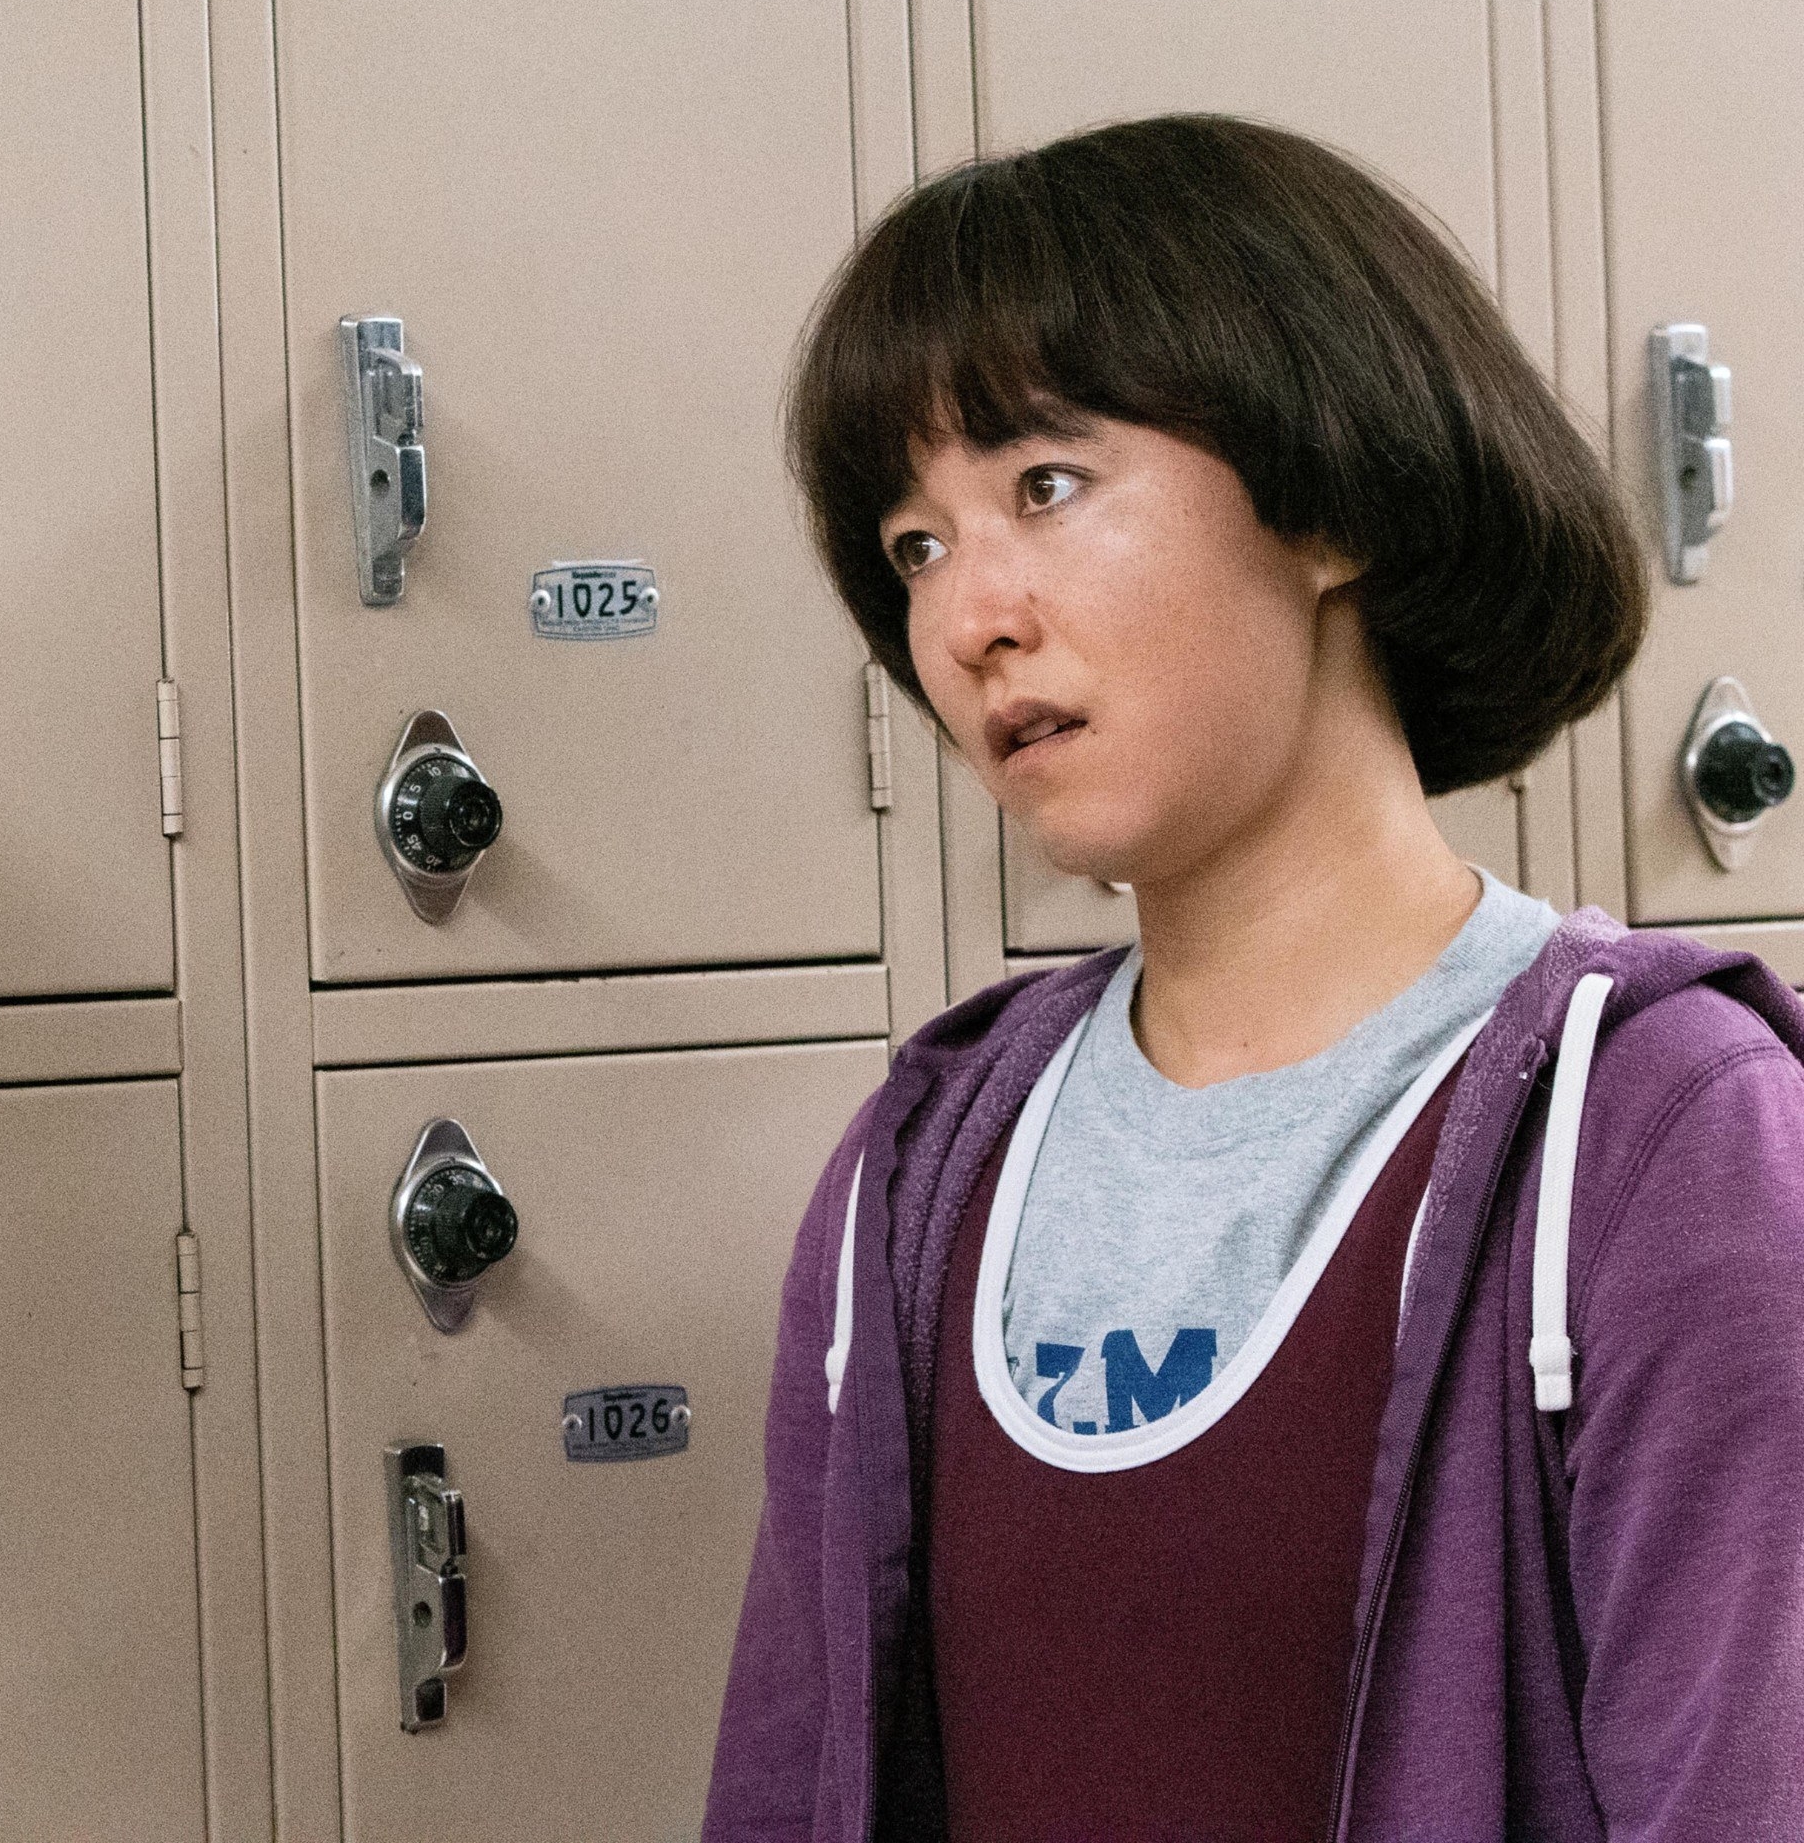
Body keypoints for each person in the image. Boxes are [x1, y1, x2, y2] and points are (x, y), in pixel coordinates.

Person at [704, 114, 1804, 1841]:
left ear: (1330, 498)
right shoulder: (915, 1177)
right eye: (914, 545)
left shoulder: (1663, 1140)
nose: (969, 615)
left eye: (1043, 487)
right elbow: (786, 1788)